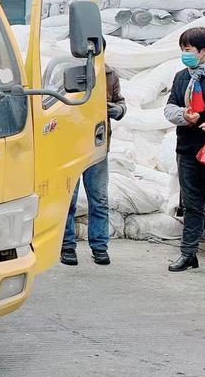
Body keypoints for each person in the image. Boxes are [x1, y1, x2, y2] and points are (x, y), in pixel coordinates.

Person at [164, 26, 205, 282]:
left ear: (204, 50)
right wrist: (183, 115)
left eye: (188, 50)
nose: (184, 54)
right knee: (192, 205)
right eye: (182, 49)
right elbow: (169, 106)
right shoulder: (182, 77)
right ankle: (188, 253)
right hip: (188, 148)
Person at [61, 38, 126, 266]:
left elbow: (121, 105)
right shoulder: (68, 74)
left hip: (98, 147)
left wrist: (115, 109)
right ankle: (67, 245)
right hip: (70, 147)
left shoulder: (110, 76)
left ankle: (99, 246)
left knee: (99, 199)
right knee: (67, 199)